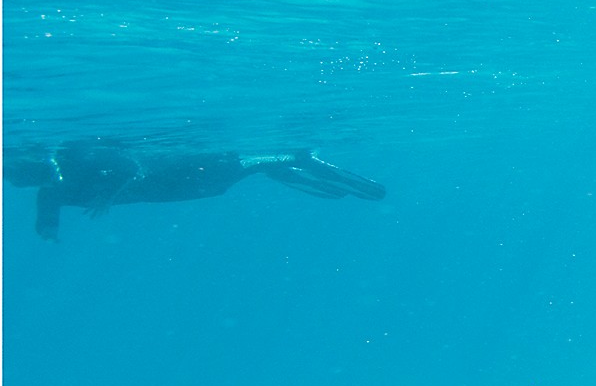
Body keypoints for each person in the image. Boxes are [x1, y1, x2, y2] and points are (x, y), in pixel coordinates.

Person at [3, 141, 385, 240]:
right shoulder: (51, 189)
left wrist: (110, 195)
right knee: (246, 170)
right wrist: (48, 234)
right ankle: (292, 167)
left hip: (180, 171)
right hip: (174, 186)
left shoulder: (71, 159)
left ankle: (296, 162)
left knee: (247, 167)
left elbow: (129, 165)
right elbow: (46, 218)